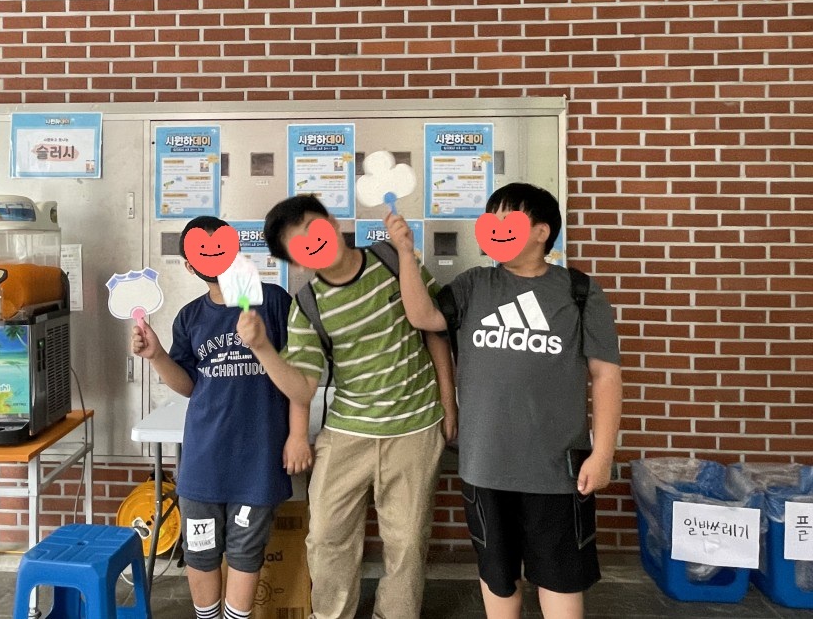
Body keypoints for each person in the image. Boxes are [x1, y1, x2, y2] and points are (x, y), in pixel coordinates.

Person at [387, 182, 622, 619]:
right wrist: (404, 253)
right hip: (485, 467)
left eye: (506, 218)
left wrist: (603, 453)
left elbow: (606, 376)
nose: (494, 228)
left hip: (557, 471)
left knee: (560, 579)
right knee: (498, 577)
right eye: (490, 220)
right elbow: (424, 316)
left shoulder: (579, 291)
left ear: (541, 232)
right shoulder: (475, 284)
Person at [236, 195, 457, 619]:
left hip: (415, 427)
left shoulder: (392, 259)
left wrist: (449, 402)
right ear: (296, 263)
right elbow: (302, 389)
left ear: (334, 223)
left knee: (408, 543)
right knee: (325, 536)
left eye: (314, 229)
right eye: (300, 245)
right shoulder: (307, 306)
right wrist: (262, 347)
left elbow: (434, 328)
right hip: (348, 430)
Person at [131, 215, 312, 619]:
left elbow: (301, 373)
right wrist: (156, 355)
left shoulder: (274, 301)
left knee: (247, 551)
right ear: (190, 265)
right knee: (200, 549)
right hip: (203, 458)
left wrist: (297, 435)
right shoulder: (190, 317)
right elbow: (189, 385)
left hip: (258, 457)